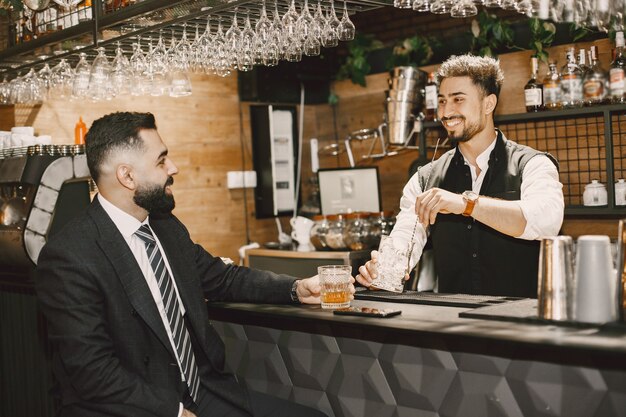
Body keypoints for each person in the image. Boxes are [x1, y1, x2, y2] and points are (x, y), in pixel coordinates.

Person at [35, 112, 349, 417]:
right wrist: (173, 412)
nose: (174, 167)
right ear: (127, 176)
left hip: (205, 392)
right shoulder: (70, 256)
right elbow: (93, 372)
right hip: (140, 405)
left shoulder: (164, 225)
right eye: (161, 160)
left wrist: (296, 289)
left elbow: (222, 278)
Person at [357, 54, 564, 297]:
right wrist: (381, 270)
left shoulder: (532, 164)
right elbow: (404, 240)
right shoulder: (425, 178)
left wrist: (466, 204)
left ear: (488, 104)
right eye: (442, 101)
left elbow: (546, 222)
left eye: (458, 100)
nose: (446, 112)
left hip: (521, 324)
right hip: (453, 325)